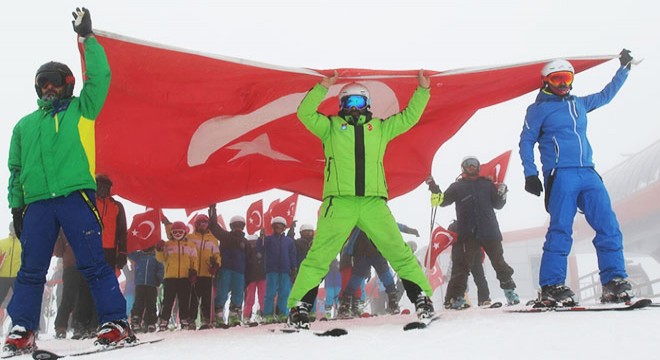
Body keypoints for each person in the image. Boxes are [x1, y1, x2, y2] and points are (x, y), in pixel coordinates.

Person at [3, 8, 133, 354]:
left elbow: (100, 77)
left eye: (55, 81)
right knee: (32, 269)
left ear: (68, 84)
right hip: (38, 204)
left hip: (76, 196)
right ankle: (23, 328)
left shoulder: (81, 109)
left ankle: (115, 321)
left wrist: (87, 37)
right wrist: (17, 207)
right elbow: (15, 169)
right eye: (42, 82)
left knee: (91, 262)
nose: (48, 87)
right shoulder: (24, 126)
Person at [286, 70, 435, 330]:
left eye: (358, 102)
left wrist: (422, 91)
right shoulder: (330, 127)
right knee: (319, 256)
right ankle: (299, 307)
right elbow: (304, 114)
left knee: (398, 251)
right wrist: (323, 87)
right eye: (348, 103)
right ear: (341, 105)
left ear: (367, 104)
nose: (353, 108)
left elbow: (409, 117)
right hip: (339, 203)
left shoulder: (379, 128)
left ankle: (421, 298)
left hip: (372, 202)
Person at [519, 50, 636, 306]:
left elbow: (606, 95)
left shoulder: (579, 104)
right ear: (546, 81)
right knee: (561, 228)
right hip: (561, 175)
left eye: (567, 78)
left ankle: (614, 281)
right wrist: (530, 174)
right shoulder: (537, 110)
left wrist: (624, 69)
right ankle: (552, 285)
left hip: (588, 172)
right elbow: (526, 141)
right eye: (557, 78)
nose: (563, 84)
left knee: (608, 224)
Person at [427, 156, 520, 310]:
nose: (471, 166)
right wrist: (433, 186)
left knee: (499, 262)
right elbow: (441, 201)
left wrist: (502, 194)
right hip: (467, 233)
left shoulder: (487, 184)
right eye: (468, 164)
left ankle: (510, 292)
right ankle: (456, 298)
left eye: (474, 164)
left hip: (489, 230)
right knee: (462, 266)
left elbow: (498, 204)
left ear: (478, 167)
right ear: (463, 168)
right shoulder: (457, 187)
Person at [207, 207, 248, 328]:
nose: (238, 228)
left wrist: (248, 275)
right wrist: (213, 213)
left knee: (238, 294)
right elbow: (214, 228)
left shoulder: (245, 242)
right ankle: (219, 317)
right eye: (235, 225)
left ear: (243, 227)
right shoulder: (225, 236)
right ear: (231, 227)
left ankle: (234, 317)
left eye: (240, 226)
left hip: (240, 272)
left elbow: (249, 260)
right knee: (222, 293)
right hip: (226, 269)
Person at [155, 221, 198, 331]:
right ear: (171, 233)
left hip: (184, 277)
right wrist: (159, 249)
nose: (177, 234)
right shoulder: (168, 244)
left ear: (184, 232)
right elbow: (161, 259)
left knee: (184, 300)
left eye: (180, 232)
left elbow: (194, 260)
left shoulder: (190, 245)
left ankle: (184, 319)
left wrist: (194, 271)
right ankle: (164, 320)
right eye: (175, 232)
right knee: (168, 300)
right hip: (170, 277)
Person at [258, 217, 297, 323]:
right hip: (272, 269)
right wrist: (261, 237)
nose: (278, 228)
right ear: (273, 227)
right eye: (276, 226)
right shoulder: (269, 239)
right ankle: (268, 314)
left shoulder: (288, 241)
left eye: (280, 227)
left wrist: (294, 267)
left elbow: (292, 255)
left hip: (285, 269)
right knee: (270, 292)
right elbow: (260, 249)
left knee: (284, 293)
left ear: (284, 228)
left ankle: (282, 314)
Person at [95, 175, 128, 274]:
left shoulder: (117, 206)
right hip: (91, 247)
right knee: (88, 284)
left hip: (110, 251)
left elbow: (122, 231)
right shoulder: (89, 202)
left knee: (107, 282)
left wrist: (122, 252)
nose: (103, 190)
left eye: (106, 187)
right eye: (100, 186)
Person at [128, 246, 164, 333]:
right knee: (138, 302)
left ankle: (150, 322)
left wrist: (159, 279)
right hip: (140, 283)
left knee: (151, 303)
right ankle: (136, 320)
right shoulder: (139, 255)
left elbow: (160, 269)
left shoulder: (156, 256)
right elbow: (129, 253)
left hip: (151, 284)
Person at [0, 223, 21, 327]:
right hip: (2, 277)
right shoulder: (2, 243)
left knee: (19, 302)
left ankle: (21, 326)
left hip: (17, 277)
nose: (14, 231)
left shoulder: (22, 243)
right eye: (12, 229)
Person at [243, 233, 266, 324]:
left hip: (261, 277)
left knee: (262, 297)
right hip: (251, 278)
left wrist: (262, 236)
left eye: (254, 242)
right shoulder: (246, 252)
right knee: (249, 298)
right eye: (250, 242)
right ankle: (246, 316)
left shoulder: (261, 250)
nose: (252, 244)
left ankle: (263, 314)